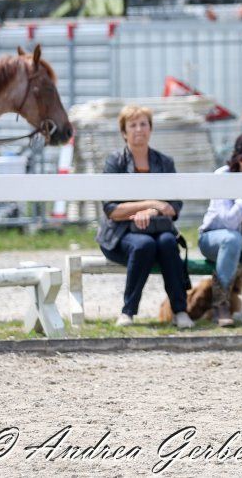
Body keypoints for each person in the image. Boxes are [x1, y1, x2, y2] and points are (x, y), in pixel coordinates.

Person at [95, 105, 194, 328]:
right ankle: (127, 312)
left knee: (169, 242)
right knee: (144, 245)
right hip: (120, 235)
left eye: (143, 124)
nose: (139, 129)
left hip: (159, 231)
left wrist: (151, 212)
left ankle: (180, 311)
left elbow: (175, 204)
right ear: (123, 132)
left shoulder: (165, 162)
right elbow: (112, 210)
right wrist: (151, 204)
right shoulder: (115, 162)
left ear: (150, 128)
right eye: (132, 125)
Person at [197, 133, 242, 327]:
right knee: (232, 239)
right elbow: (227, 222)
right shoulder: (223, 175)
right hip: (212, 239)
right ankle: (220, 305)